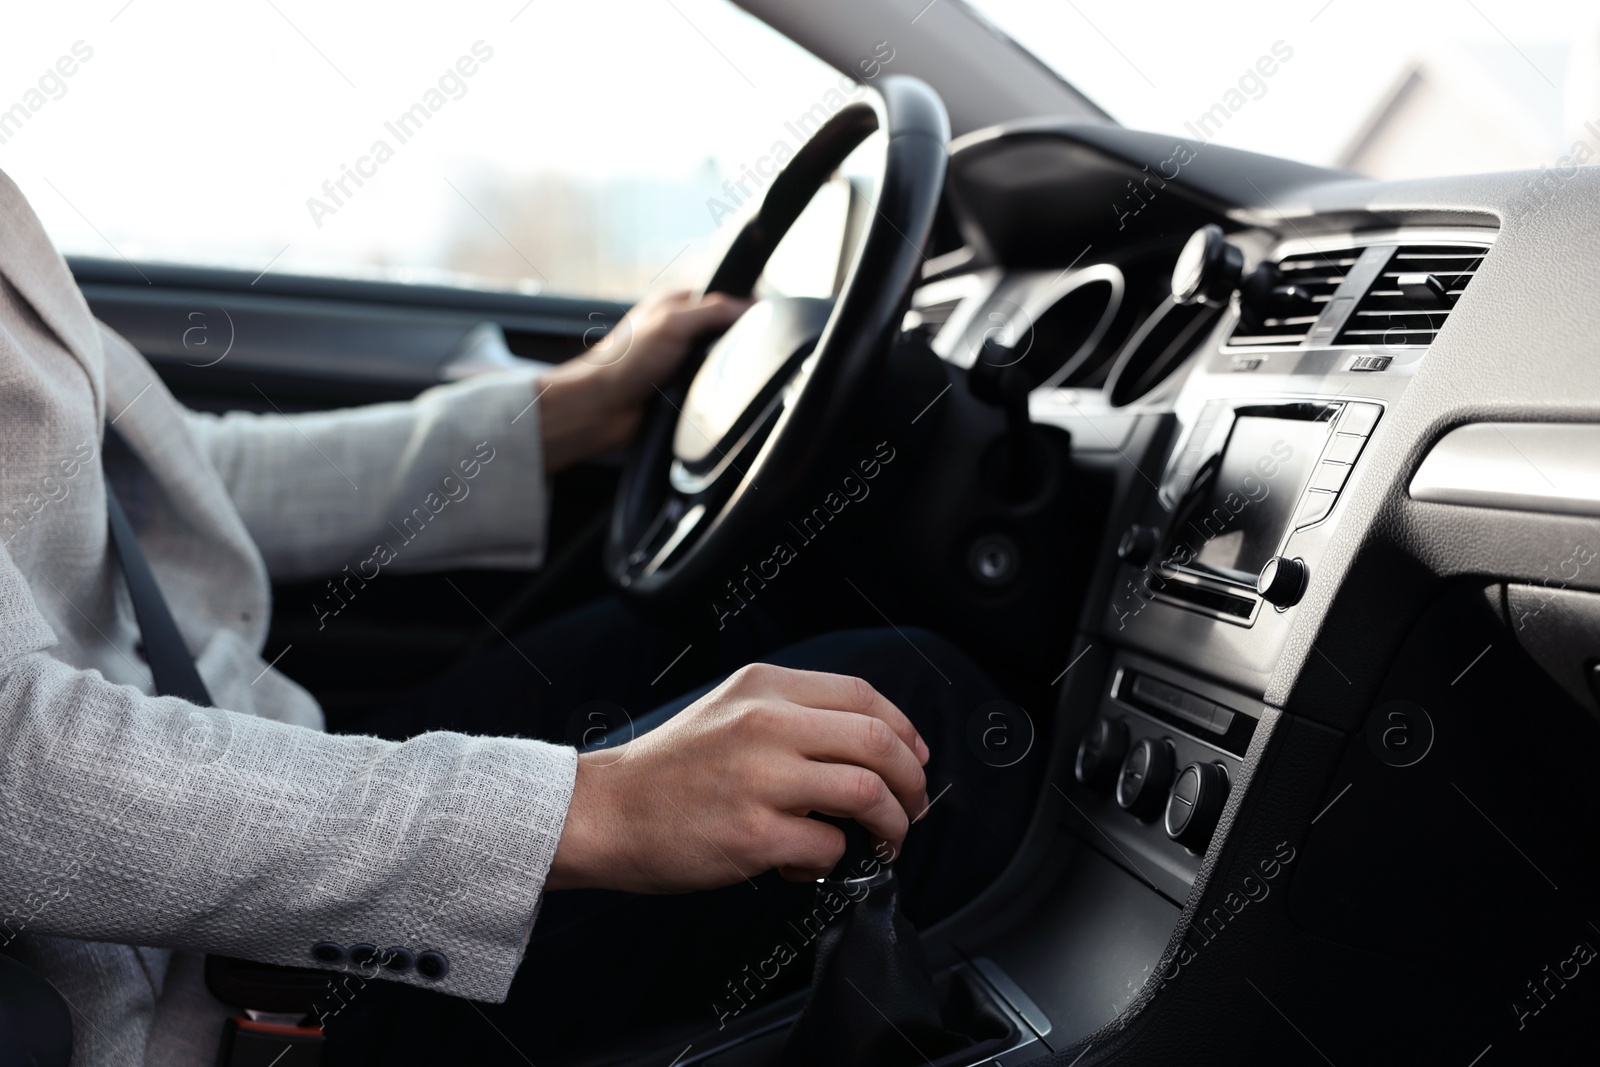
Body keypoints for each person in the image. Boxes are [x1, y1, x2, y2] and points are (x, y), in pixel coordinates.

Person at [0, 168, 1031, 1067]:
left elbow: (166, 480)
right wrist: (594, 809)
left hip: (236, 766)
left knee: (740, 625)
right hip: (175, 987)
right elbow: (16, 769)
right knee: (925, 726)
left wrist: (564, 410)